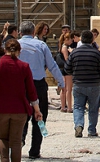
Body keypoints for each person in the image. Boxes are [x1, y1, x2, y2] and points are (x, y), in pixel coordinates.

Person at [18, 21, 66, 160]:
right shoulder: (40, 45)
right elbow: (52, 65)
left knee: (21, 115)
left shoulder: (15, 45)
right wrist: (61, 82)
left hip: (20, 85)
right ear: (33, 32)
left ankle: (20, 139)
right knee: (40, 116)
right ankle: (35, 150)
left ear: (20, 32)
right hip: (37, 84)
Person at [0, 39, 43, 162]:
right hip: (20, 109)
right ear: (19, 51)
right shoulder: (24, 66)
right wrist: (37, 110)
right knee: (16, 140)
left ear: (5, 50)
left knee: (3, 138)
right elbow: (31, 91)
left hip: (1, 108)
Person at [64, 30, 100, 138]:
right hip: (94, 84)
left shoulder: (75, 52)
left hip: (79, 84)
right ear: (92, 40)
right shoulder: (97, 53)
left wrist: (75, 72)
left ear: (81, 39)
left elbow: (67, 68)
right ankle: (91, 130)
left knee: (78, 106)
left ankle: (78, 125)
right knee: (93, 108)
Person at [59, 33, 74, 112]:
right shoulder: (65, 48)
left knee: (64, 89)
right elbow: (67, 59)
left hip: (63, 69)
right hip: (67, 70)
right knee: (68, 89)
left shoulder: (63, 47)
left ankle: (63, 106)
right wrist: (72, 53)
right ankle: (69, 107)